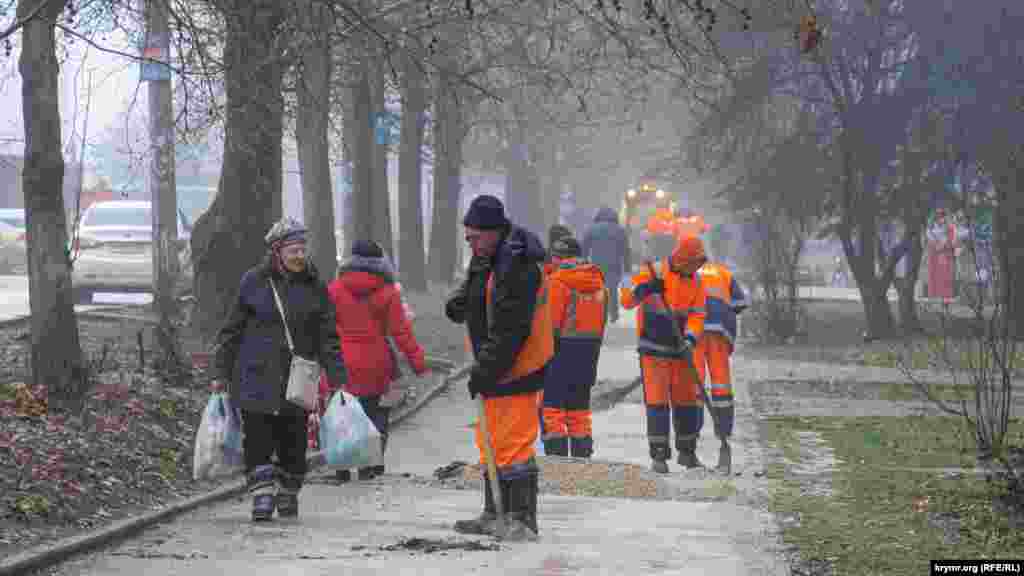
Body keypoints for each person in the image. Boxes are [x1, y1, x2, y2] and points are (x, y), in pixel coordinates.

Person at [211, 217, 348, 521]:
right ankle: (261, 495)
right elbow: (232, 330)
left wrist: (338, 376)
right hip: (255, 375)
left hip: (297, 379)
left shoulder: (315, 286)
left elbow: (328, 336)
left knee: (294, 442)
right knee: (257, 438)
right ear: (277, 251)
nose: (299, 255)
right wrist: (220, 372)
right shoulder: (253, 282)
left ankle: (288, 492)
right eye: (293, 250)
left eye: (302, 249)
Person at [445, 194, 553, 541]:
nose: (470, 242)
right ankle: (495, 512)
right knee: (489, 440)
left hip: (515, 367)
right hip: (494, 364)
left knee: (514, 444)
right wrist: (461, 302)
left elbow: (511, 329)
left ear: (494, 231)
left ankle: (521, 518)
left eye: (475, 236)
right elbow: (478, 299)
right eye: (468, 237)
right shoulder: (487, 258)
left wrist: (485, 369)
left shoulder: (517, 266)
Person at [328, 240, 429, 482]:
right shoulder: (388, 292)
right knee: (375, 413)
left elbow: (324, 328)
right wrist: (418, 362)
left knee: (343, 411)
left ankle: (341, 467)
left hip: (342, 360)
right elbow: (401, 332)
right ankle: (369, 466)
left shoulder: (334, 289)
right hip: (376, 361)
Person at [619, 235, 707, 473]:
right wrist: (646, 289)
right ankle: (659, 456)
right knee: (657, 403)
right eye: (692, 263)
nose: (695, 268)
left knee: (687, 402)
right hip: (653, 349)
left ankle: (687, 453)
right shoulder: (654, 271)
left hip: (681, 350)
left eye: (698, 264)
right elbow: (626, 300)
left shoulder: (697, 281)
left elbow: (698, 314)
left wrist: (690, 338)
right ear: (681, 258)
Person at [543, 235, 607, 458]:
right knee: (579, 409)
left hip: (560, 352)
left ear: (558, 258)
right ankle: (582, 458)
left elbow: (549, 325)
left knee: (552, 408)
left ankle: (557, 460)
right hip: (589, 353)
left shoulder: (557, 282)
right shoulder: (599, 283)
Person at [694, 259, 747, 474]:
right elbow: (739, 305)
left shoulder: (688, 274)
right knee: (721, 387)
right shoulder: (725, 273)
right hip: (720, 332)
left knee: (694, 388)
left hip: (695, 331)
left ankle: (690, 444)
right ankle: (724, 438)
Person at [582, 206, 631, 324]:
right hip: (614, 265)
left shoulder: (591, 229)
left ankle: (596, 312)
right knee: (612, 289)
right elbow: (625, 251)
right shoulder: (620, 230)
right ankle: (613, 313)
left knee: (596, 288)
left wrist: (583, 263)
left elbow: (585, 248)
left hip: (596, 264)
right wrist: (627, 268)